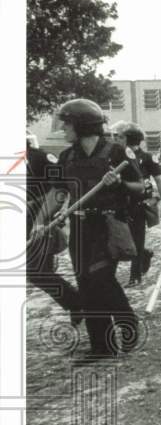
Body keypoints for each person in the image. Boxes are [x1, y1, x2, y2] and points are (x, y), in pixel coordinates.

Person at [30, 99, 143, 363]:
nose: (64, 129)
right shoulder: (66, 156)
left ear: (82, 125)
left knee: (100, 278)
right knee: (85, 282)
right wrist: (40, 220)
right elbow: (58, 192)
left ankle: (127, 321)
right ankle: (102, 347)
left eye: (67, 124)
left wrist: (118, 185)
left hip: (109, 225)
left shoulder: (117, 152)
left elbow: (139, 186)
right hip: (80, 226)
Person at [24, 133, 83, 325]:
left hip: (36, 217)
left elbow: (58, 189)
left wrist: (46, 213)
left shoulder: (40, 157)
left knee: (36, 271)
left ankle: (76, 302)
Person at [114, 122, 161, 287]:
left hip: (138, 203)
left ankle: (135, 276)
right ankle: (144, 254)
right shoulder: (118, 156)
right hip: (120, 202)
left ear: (129, 139)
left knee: (137, 238)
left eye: (121, 137)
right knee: (121, 238)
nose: (117, 139)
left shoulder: (147, 158)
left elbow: (159, 181)